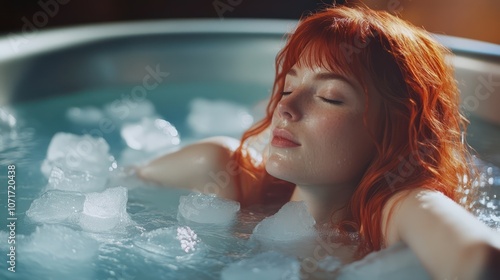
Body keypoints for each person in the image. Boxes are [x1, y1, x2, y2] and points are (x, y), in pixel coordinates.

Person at [137, 5, 500, 279]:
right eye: (289, 86)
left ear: (395, 131)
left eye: (329, 96)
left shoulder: (391, 212)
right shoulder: (220, 171)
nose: (285, 107)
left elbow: (481, 258)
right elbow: (108, 191)